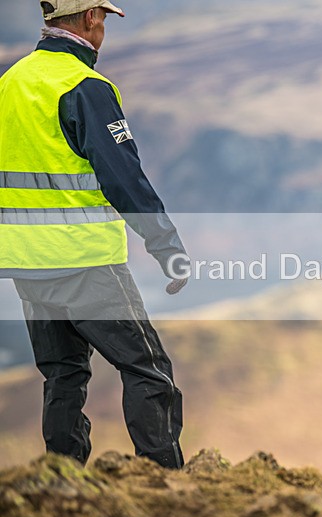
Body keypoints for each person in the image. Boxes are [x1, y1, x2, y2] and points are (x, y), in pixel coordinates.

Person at [0, 0, 189, 469]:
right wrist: (165, 244)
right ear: (89, 19)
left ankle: (63, 487)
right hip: (85, 262)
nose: (104, 26)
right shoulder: (86, 87)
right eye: (103, 17)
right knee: (148, 370)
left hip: (26, 261)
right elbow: (123, 178)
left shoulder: (11, 83)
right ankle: (167, 485)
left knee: (62, 377)